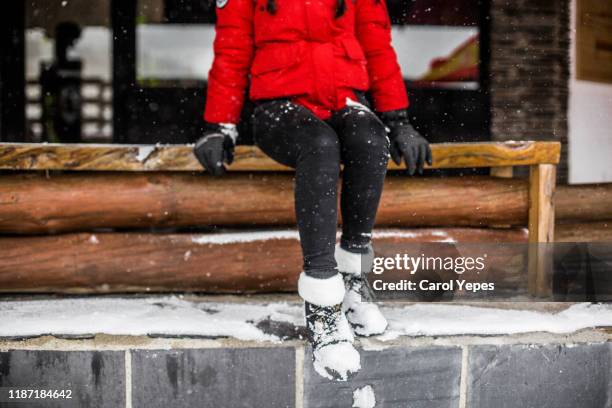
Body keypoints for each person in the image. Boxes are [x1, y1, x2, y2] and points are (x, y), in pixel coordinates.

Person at [194, 0, 431, 381]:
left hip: (344, 97)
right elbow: (233, 49)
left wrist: (398, 119)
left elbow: (377, 46)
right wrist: (220, 124)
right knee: (320, 147)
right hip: (278, 106)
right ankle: (322, 303)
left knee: (371, 141)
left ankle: (353, 278)